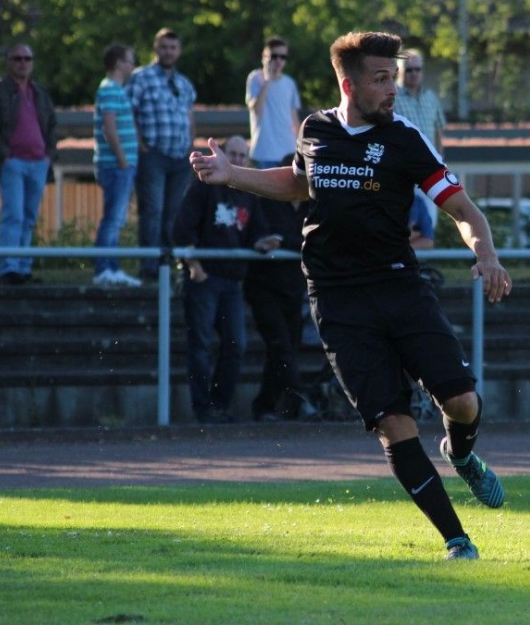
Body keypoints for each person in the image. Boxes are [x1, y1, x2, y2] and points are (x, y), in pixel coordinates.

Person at [189, 31, 512, 561]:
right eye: (381, 79)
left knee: (462, 402)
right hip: (337, 298)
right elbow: (299, 183)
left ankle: (461, 455)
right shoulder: (315, 129)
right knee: (393, 423)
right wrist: (231, 175)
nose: (393, 89)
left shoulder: (404, 137)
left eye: (394, 78)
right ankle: (457, 540)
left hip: (399, 286)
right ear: (349, 85)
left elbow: (462, 209)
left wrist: (487, 254)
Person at [172, 136, 280, 424]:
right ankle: (203, 410)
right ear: (222, 154)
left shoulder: (248, 193)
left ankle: (219, 406)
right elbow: (182, 229)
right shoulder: (203, 185)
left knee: (236, 345)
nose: (238, 160)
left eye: (243, 156)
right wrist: (193, 264)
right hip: (204, 277)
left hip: (232, 281)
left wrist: (264, 242)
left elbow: (256, 230)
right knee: (201, 346)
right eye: (233, 153)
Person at [243, 172, 318, 422]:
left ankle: (265, 405)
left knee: (286, 348)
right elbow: (258, 235)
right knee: (280, 345)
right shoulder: (266, 201)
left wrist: (284, 241)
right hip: (263, 287)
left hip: (293, 288)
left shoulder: (312, 206)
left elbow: (314, 240)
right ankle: (301, 399)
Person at [0, 43, 57, 285]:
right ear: (9, 61)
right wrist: (5, 155)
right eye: (17, 58)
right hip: (13, 163)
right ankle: (8, 267)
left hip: (38, 163)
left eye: (27, 59)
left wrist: (49, 155)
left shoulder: (40, 92)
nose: (23, 63)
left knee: (29, 217)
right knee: (13, 214)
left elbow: (52, 125)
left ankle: (24, 267)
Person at [128, 28, 197, 282]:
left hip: (180, 157)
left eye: (173, 48)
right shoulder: (140, 77)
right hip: (153, 154)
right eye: (164, 47)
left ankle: (169, 264)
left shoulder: (184, 83)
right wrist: (140, 145)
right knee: (152, 211)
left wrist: (190, 145)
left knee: (175, 213)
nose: (169, 52)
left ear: (179, 51)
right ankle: (149, 267)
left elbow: (189, 116)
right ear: (156, 48)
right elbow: (129, 112)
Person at [92, 43, 142, 287]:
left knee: (117, 219)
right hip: (116, 166)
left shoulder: (116, 90)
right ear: (119, 63)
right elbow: (109, 127)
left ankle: (112, 267)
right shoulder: (109, 89)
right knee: (113, 218)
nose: (133, 65)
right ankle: (104, 268)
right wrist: (123, 160)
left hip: (122, 165)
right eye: (131, 60)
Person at [394, 48, 446, 228]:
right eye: (409, 70)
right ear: (399, 71)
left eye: (418, 69)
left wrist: (440, 163)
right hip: (402, 176)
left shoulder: (431, 97)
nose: (414, 73)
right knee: (403, 228)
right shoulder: (391, 97)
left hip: (429, 173)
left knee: (428, 228)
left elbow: (438, 133)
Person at [246, 36, 301, 169]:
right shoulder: (255, 78)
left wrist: (301, 148)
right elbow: (256, 110)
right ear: (264, 57)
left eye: (283, 57)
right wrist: (268, 80)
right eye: (274, 56)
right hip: (263, 155)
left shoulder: (289, 83)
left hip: (288, 154)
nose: (278, 61)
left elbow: (294, 119)